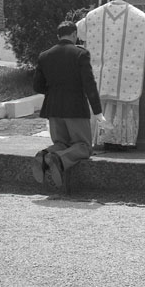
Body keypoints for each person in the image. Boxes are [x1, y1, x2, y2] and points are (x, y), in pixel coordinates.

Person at [76, 0, 145, 151]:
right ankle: (120, 140)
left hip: (101, 72)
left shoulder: (94, 15)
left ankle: (98, 138)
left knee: (100, 101)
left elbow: (80, 31)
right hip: (126, 73)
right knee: (122, 104)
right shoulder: (140, 17)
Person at [31, 21, 106, 188]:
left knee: (61, 144)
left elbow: (37, 86)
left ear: (58, 36)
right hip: (75, 108)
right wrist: (98, 111)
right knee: (84, 147)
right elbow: (89, 84)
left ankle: (44, 155)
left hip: (53, 108)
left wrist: (54, 92)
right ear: (74, 34)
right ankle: (58, 159)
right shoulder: (80, 54)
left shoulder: (45, 55)